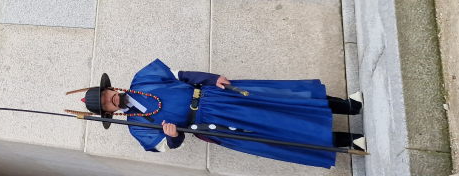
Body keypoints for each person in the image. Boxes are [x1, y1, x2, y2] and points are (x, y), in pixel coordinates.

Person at [72, 59, 363, 168]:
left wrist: (213, 78)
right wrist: (172, 137)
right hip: (214, 123)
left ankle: (349, 107)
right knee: (278, 129)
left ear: (112, 88)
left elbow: (183, 74)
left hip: (216, 94)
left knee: (282, 99)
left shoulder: (144, 78)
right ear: (109, 112)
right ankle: (349, 140)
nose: (112, 98)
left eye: (108, 93)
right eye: (108, 103)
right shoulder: (137, 126)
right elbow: (166, 145)